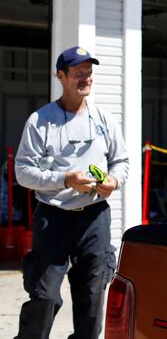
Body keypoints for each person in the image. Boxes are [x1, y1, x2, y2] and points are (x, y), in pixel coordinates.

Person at [14, 46, 129, 339]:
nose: (86, 78)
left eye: (89, 72)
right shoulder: (40, 121)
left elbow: (121, 163)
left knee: (92, 296)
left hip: (94, 219)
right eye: (78, 73)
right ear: (61, 76)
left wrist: (113, 182)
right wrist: (65, 180)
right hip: (53, 219)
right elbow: (23, 172)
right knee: (44, 295)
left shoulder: (104, 119)